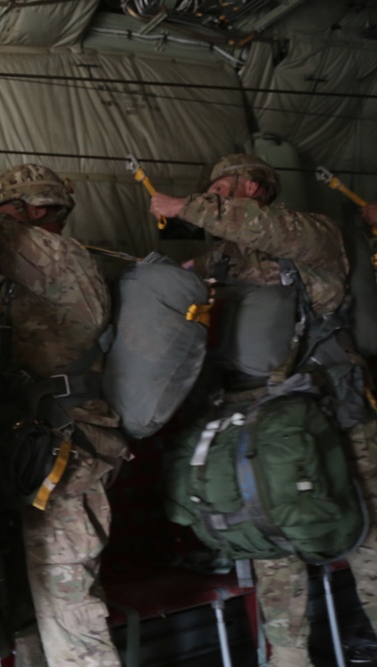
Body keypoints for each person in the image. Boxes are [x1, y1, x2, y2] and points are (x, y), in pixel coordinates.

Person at [152, 153, 377, 666]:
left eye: (221, 187)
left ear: (253, 188)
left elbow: (266, 231)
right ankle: (290, 656)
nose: (213, 195)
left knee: (370, 536)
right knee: (271, 544)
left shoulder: (311, 234)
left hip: (333, 415)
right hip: (258, 430)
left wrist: (185, 206)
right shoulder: (225, 261)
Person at [0, 164, 128, 667]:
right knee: (33, 601)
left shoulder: (61, 258)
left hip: (70, 452)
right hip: (35, 451)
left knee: (70, 608)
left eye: (3, 215)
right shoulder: (21, 282)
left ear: (32, 211)